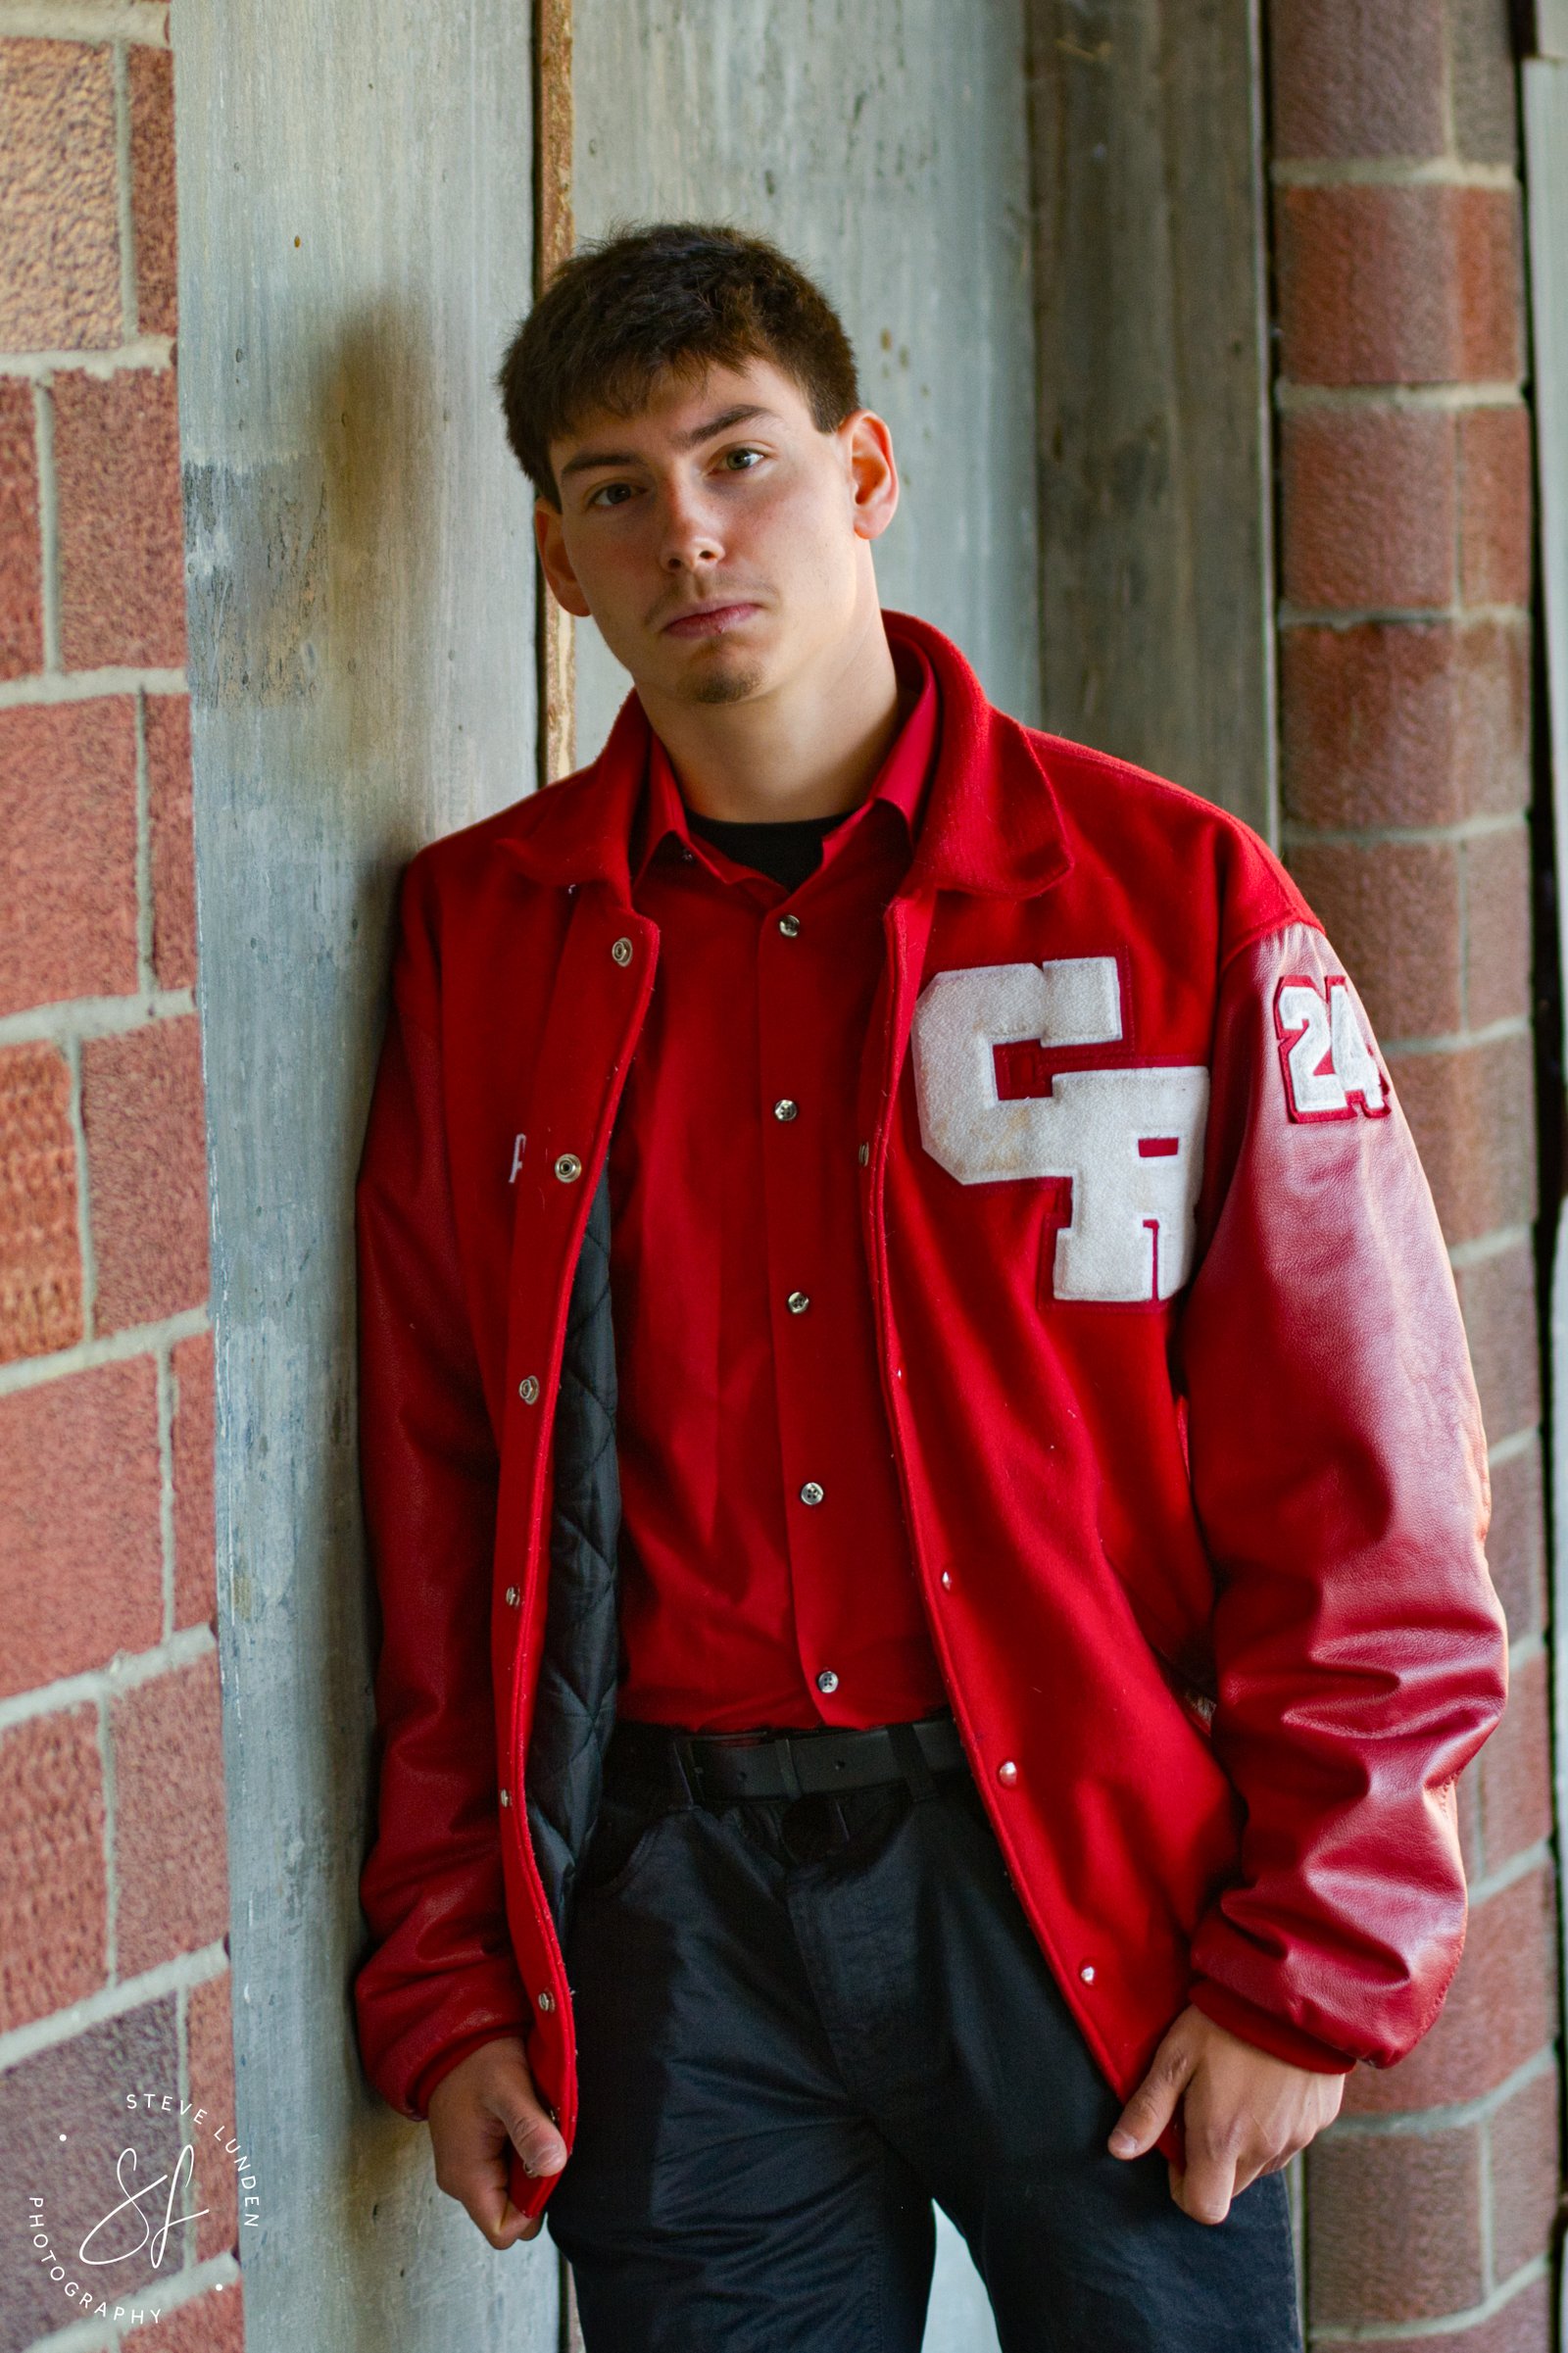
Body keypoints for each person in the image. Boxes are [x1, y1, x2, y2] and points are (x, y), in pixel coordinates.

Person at [351, 221, 1508, 2352]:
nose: (688, 533)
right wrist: (444, 1976)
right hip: (669, 1924)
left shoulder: (1173, 898)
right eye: (615, 490)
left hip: (1084, 1884)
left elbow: (1372, 1482)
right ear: (557, 560)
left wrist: (1311, 1965)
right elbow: (437, 1501)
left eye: (738, 457)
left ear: (864, 471)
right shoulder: (483, 938)